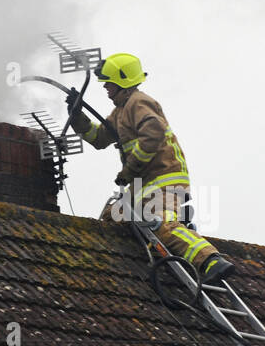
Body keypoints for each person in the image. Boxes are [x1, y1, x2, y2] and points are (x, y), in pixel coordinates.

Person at [67, 52, 236, 285]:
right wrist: (77, 117)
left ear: (122, 81)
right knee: (113, 216)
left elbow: (153, 134)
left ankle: (210, 260)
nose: (105, 87)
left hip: (164, 180)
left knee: (160, 224)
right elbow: (99, 138)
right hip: (142, 185)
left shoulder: (139, 102)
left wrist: (129, 169)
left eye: (109, 83)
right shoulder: (120, 111)